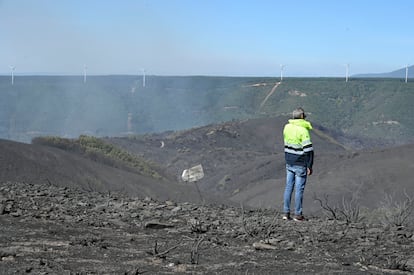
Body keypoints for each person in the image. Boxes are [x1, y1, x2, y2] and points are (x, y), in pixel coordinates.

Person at [282, 107, 314, 221]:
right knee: (299, 189)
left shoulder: (287, 127)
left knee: (288, 187)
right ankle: (298, 214)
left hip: (289, 161)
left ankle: (285, 213)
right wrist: (310, 165)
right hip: (300, 163)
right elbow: (308, 150)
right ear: (301, 116)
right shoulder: (303, 130)